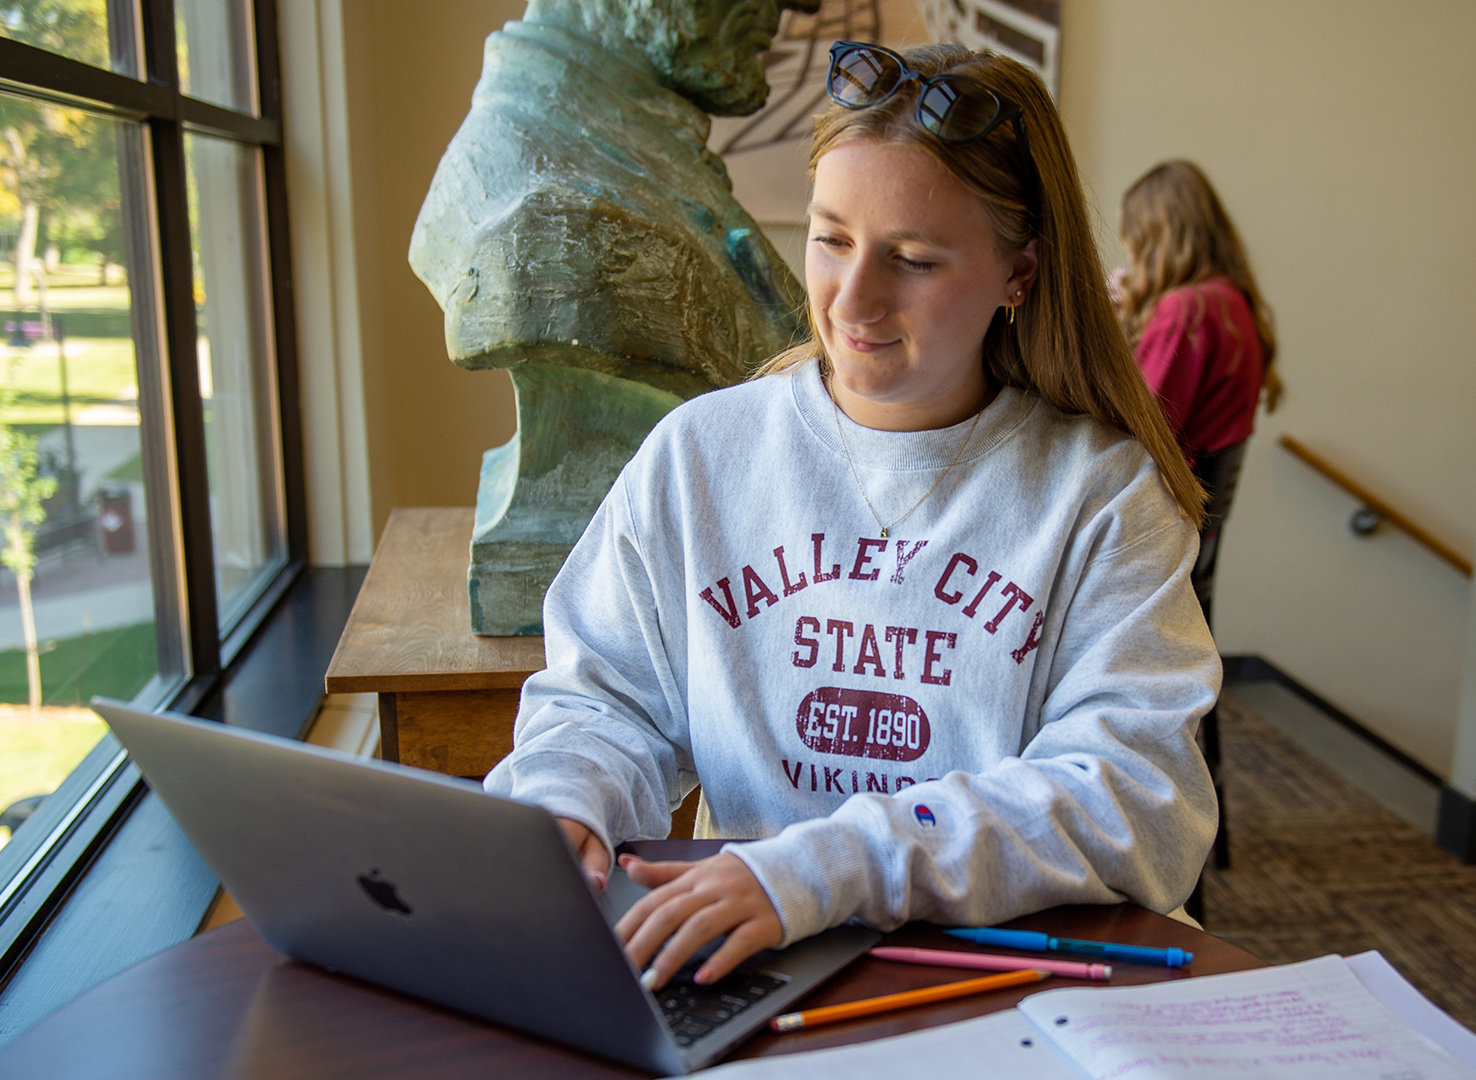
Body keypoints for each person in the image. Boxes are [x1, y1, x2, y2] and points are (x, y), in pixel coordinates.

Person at [482, 42, 1221, 993]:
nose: (853, 299)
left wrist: (825, 868)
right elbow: (606, 701)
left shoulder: (1102, 496)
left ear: (1020, 274)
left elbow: (1136, 801)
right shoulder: (699, 455)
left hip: (993, 974)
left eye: (913, 259)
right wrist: (562, 801)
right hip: (746, 961)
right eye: (831, 239)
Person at [1113, 160, 1280, 619]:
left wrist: (1108, 327)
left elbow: (1133, 426)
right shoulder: (1231, 300)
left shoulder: (1186, 309)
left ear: (1155, 235)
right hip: (1198, 530)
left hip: (1164, 525)